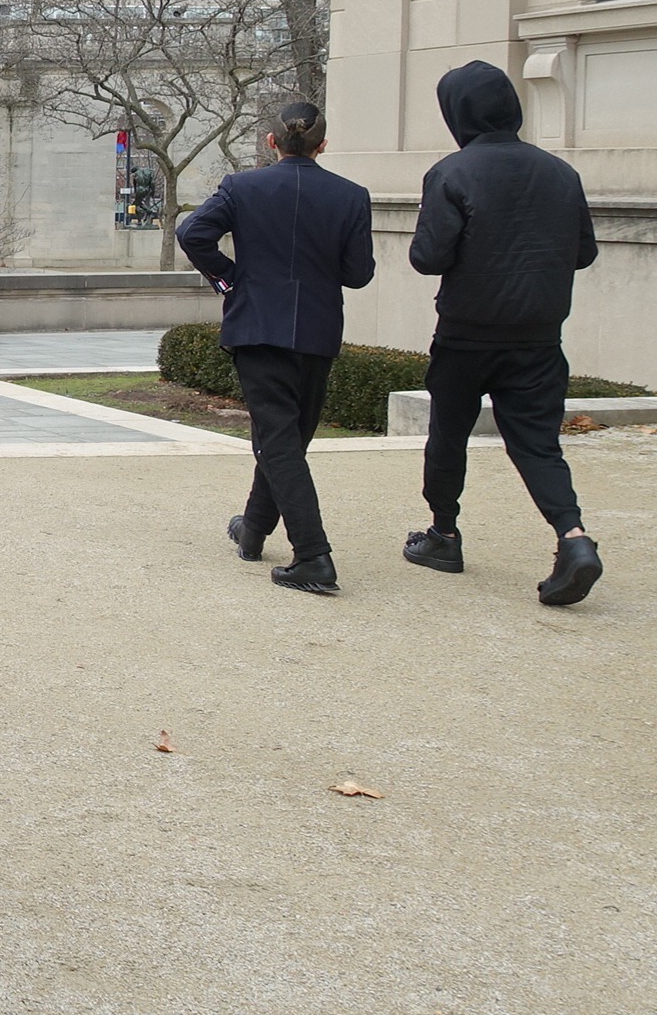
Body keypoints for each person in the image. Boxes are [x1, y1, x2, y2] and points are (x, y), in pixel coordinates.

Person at [401, 60, 603, 606]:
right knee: (538, 445)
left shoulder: (451, 173)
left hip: (466, 334)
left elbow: (427, 257)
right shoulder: (561, 173)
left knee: (449, 435)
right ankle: (573, 537)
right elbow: (584, 252)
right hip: (539, 336)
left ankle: (444, 534)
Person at [175, 101, 376, 595]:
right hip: (316, 329)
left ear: (271, 142)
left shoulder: (242, 187)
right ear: (322, 145)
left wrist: (232, 280)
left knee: (279, 441)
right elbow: (358, 274)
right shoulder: (351, 196)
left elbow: (192, 232)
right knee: (286, 439)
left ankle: (312, 555)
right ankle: (255, 529)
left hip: (259, 327)